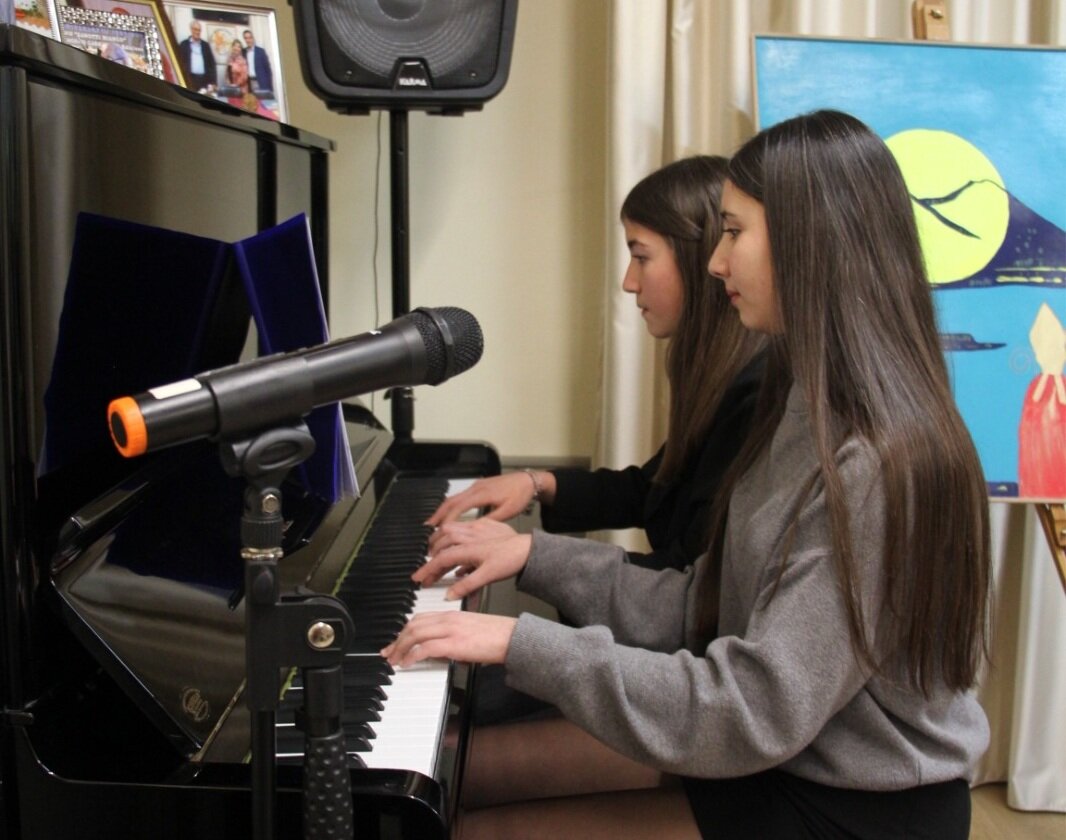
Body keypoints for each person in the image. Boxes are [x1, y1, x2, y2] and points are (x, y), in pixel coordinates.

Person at [383, 110, 993, 839]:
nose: (715, 262)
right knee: (453, 782)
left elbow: (752, 708)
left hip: (853, 803)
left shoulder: (874, 459)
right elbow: (705, 603)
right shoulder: (802, 398)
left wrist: (522, 643)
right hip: (786, 757)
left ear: (810, 240)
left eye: (734, 232)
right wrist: (534, 556)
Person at [428, 156, 766, 574]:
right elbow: (654, 490)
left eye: (641, 257)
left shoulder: (756, 395)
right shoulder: (721, 371)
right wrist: (536, 483)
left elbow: (686, 584)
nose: (628, 282)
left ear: (698, 260)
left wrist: (531, 557)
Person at [177, 20, 216, 93]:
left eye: (199, 30)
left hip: (203, 80)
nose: (197, 32)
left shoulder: (205, 45)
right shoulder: (184, 45)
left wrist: (213, 82)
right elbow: (179, 63)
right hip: (190, 79)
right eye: (195, 29)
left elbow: (212, 64)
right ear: (191, 29)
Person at [242, 29, 273, 95]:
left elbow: (268, 70)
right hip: (249, 83)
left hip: (261, 83)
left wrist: (270, 88)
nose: (248, 40)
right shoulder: (243, 52)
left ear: (253, 38)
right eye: (246, 38)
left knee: (262, 103)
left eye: (250, 38)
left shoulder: (261, 51)